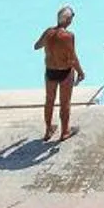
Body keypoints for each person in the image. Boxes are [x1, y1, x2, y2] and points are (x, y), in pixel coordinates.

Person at [36, 7, 83, 142]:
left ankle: (48, 129)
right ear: (68, 20)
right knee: (65, 103)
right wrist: (80, 72)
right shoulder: (68, 36)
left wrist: (49, 43)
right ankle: (65, 132)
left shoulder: (48, 32)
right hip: (65, 72)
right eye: (72, 17)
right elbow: (72, 58)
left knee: (49, 101)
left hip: (50, 71)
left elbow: (37, 46)